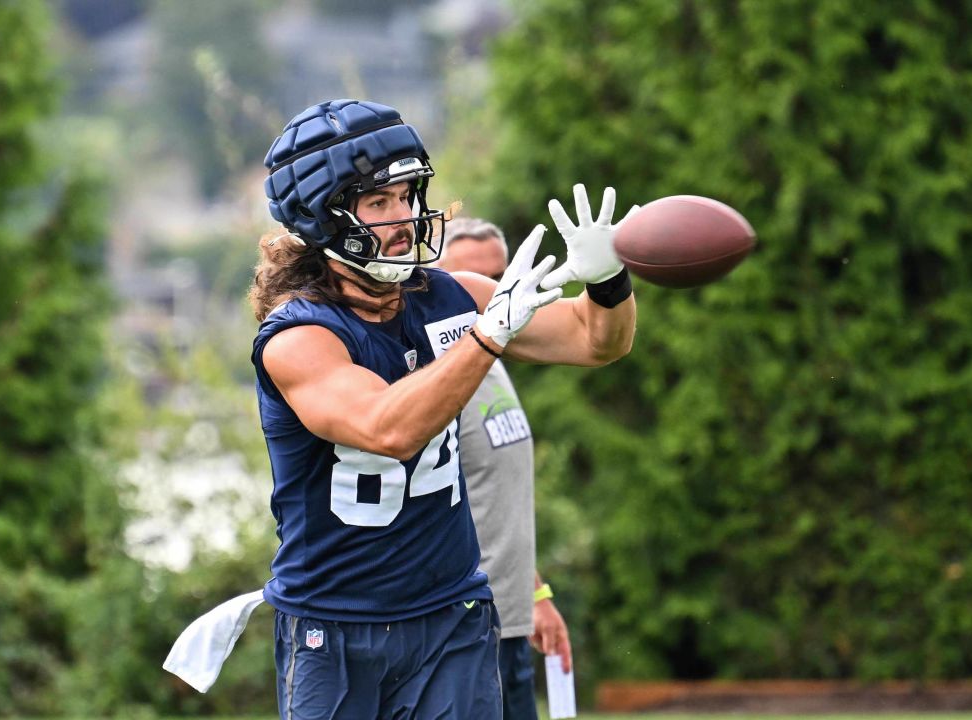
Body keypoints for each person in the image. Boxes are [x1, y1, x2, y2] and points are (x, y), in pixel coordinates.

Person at [166, 98, 637, 720]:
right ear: (324, 217)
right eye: (380, 201)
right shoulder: (299, 336)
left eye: (410, 195)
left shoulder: (451, 296)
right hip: (336, 628)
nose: (406, 216)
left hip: (451, 616)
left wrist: (608, 280)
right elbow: (388, 428)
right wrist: (488, 336)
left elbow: (596, 340)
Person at [433, 217, 572, 720]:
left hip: (510, 619)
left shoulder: (494, 364)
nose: (491, 294)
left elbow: (496, 494)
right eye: (471, 279)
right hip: (463, 623)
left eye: (499, 276)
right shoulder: (433, 380)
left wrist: (535, 594)